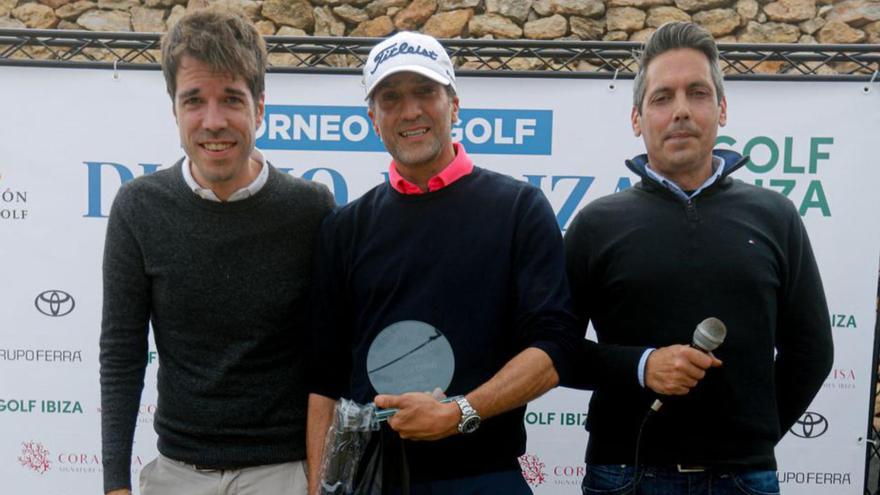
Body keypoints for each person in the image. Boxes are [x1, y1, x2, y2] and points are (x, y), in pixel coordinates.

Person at [564, 22, 833, 494]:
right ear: (636, 119)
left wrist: (754, 436)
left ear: (722, 108)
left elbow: (812, 351)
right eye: (662, 98)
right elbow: (553, 351)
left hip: (745, 478)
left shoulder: (776, 216)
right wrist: (642, 365)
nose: (681, 111)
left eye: (698, 93)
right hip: (624, 475)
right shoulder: (595, 224)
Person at [306, 31, 579, 494]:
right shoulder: (345, 228)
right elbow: (324, 380)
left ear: (454, 104)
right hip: (372, 479)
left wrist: (458, 414)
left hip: (484, 477)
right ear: (373, 119)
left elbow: (552, 352)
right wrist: (319, 488)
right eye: (391, 98)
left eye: (425, 92)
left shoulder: (518, 209)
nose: (410, 111)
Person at [99, 9, 334, 495]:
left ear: (260, 107)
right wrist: (115, 485)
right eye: (194, 101)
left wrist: (319, 479)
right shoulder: (138, 206)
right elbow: (121, 355)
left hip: (283, 474)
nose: (213, 121)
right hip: (176, 475)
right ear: (175, 111)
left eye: (231, 99)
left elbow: (327, 359)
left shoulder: (311, 209)